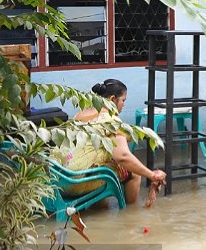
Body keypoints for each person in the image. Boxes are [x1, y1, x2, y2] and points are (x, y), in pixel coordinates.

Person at [62, 79, 167, 207]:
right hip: (77, 182)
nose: (123, 105)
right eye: (123, 100)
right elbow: (122, 156)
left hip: (61, 180)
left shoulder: (81, 113)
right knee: (133, 172)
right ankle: (131, 214)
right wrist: (151, 175)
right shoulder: (111, 120)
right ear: (112, 99)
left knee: (103, 163)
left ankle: (100, 207)